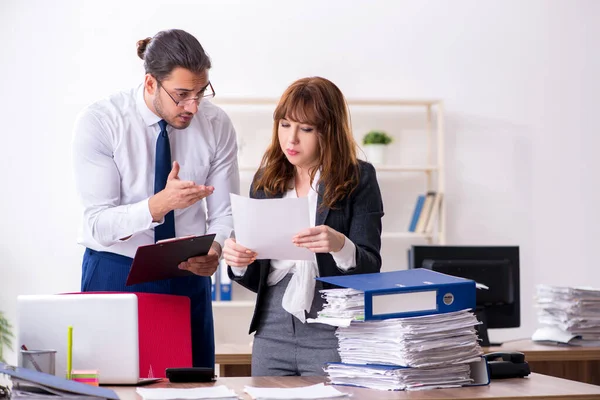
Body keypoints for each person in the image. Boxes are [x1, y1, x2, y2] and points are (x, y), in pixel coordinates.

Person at [72, 29, 239, 368]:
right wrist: (159, 205)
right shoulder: (102, 121)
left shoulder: (216, 124)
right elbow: (98, 223)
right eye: (181, 95)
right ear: (150, 84)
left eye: (201, 92)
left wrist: (216, 249)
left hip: (186, 274)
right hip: (116, 269)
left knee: (191, 388)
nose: (192, 105)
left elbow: (225, 214)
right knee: (111, 386)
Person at [223, 76, 384, 376]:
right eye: (285, 125)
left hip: (332, 328)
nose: (291, 139)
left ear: (329, 132)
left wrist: (340, 245)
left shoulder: (359, 178)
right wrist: (240, 262)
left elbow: (370, 266)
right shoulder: (266, 179)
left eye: (306, 129)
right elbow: (258, 276)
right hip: (271, 330)